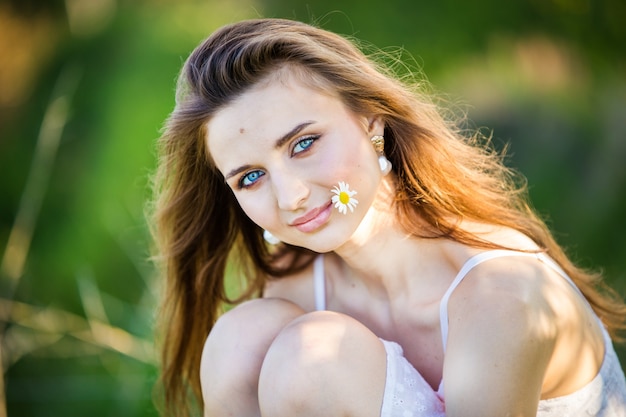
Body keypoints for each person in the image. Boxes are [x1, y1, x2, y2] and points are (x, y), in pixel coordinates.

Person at [150, 18, 626, 417]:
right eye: (251, 177)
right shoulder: (298, 292)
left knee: (313, 358)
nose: (291, 196)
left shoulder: (500, 296)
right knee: (239, 341)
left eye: (303, 143)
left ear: (371, 121)